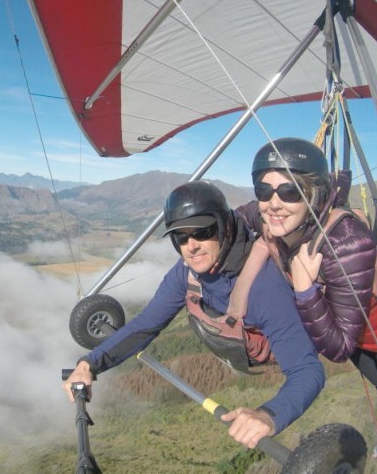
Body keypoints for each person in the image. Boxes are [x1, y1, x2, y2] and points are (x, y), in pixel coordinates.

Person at [62, 181, 325, 449]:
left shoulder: (264, 287)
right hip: (233, 339)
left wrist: (269, 415)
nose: (192, 245)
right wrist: (90, 364)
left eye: (203, 232)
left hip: (271, 350)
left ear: (225, 227)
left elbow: (307, 370)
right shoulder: (187, 271)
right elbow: (147, 324)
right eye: (181, 237)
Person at [238, 137, 377, 467]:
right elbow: (240, 218)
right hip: (355, 336)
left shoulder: (345, 242)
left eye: (290, 191)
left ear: (313, 193)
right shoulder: (273, 214)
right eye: (263, 191)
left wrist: (306, 290)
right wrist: (198, 233)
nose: (274, 203)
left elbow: (337, 350)